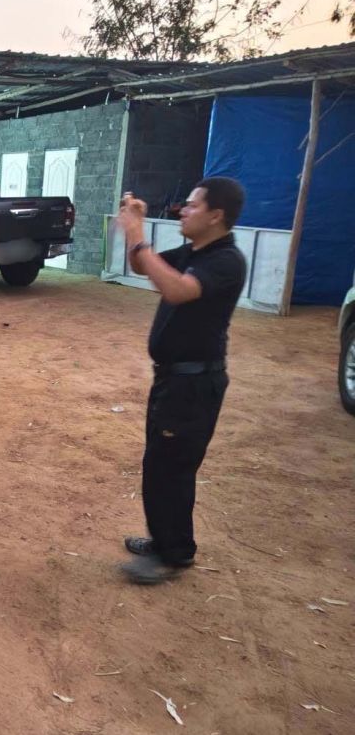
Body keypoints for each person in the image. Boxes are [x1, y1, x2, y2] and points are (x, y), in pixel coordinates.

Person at [116, 178, 248, 584]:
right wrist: (135, 229)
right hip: (173, 382)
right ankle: (166, 541)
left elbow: (176, 290)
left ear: (216, 215)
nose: (182, 211)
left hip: (194, 387)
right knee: (159, 464)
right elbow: (143, 266)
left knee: (172, 469)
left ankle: (173, 554)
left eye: (191, 205)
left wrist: (139, 234)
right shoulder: (194, 252)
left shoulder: (226, 261)